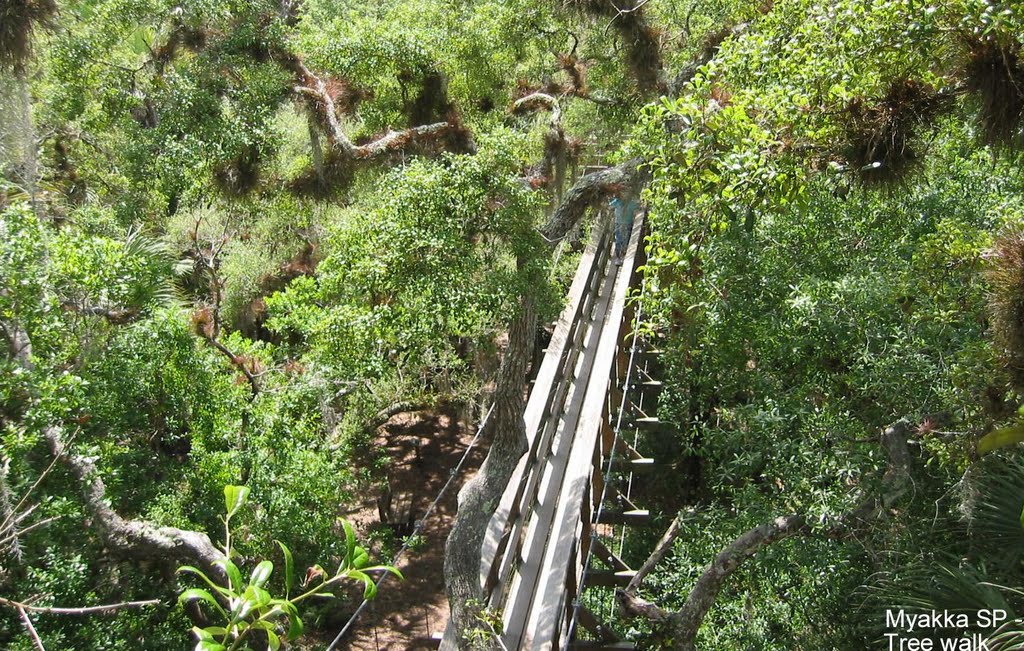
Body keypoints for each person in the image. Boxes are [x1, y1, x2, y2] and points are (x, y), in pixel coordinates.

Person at [610, 190, 638, 264]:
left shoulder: (630, 203)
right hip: (618, 224)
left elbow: (638, 206)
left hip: (628, 224)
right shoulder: (617, 201)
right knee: (619, 240)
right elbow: (610, 206)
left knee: (627, 240)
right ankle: (618, 257)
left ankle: (625, 256)